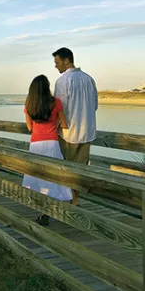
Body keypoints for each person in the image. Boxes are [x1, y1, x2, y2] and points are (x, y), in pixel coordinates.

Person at [22, 74, 73, 226]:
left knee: (37, 174)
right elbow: (64, 124)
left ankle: (41, 206)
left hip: (36, 143)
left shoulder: (29, 104)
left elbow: (30, 127)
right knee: (54, 175)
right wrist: (55, 124)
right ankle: (54, 206)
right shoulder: (55, 102)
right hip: (52, 143)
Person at [52, 47, 98, 204]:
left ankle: (66, 204)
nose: (56, 66)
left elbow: (60, 109)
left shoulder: (63, 81)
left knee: (66, 170)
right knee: (80, 171)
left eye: (57, 62)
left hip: (68, 133)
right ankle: (75, 201)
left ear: (66, 61)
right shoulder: (89, 79)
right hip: (88, 132)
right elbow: (95, 105)